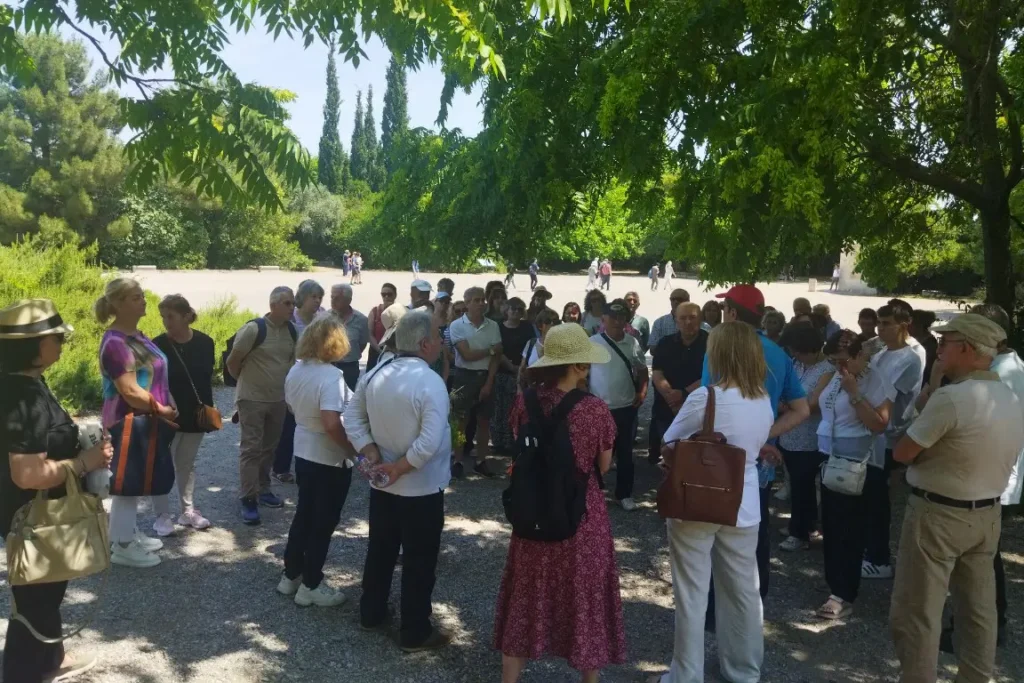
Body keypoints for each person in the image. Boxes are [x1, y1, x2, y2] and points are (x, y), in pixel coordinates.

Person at [889, 314, 1023, 683]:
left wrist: (933, 391)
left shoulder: (953, 398)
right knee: (979, 611)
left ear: (966, 348)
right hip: (987, 513)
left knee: (918, 611)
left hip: (938, 514)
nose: (939, 350)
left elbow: (902, 452)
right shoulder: (1009, 396)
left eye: (945, 343)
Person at [494, 323, 626, 683]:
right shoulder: (595, 410)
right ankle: (589, 677)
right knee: (584, 596)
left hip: (532, 512)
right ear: (579, 365)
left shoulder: (524, 401)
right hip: (580, 514)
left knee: (526, 595)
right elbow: (603, 465)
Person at [651, 322, 776, 683]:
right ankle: (744, 670)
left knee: (692, 592)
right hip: (744, 503)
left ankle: (686, 675)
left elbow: (670, 442)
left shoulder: (705, 397)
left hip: (697, 498)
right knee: (743, 590)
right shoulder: (762, 400)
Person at [1, 299, 112, 683]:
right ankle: (23, 673)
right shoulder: (25, 397)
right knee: (36, 597)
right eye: (58, 338)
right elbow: (28, 474)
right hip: (34, 515)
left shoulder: (20, 384)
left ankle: (50, 659)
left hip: (29, 512)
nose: (64, 343)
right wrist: (85, 462)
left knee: (43, 590)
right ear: (34, 345)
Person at [345, 311, 454, 652]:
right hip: (420, 488)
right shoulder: (430, 382)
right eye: (437, 335)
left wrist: (370, 450)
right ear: (424, 344)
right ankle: (415, 631)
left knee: (381, 549)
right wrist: (399, 467)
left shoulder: (377, 372)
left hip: (385, 484)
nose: (441, 341)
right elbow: (429, 442)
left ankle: (371, 612)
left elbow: (352, 417)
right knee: (419, 560)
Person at [702, 285, 810, 608]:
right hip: (760, 461)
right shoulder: (778, 354)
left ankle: (716, 607)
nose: (723, 315)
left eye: (725, 309)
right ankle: (753, 602)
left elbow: (707, 405)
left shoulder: (718, 350)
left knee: (716, 531)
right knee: (755, 529)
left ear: (733, 313)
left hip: (720, 460)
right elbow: (802, 409)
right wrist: (763, 436)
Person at [928, 305, 1023, 653]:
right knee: (981, 559)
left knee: (980, 563)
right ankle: (980, 627)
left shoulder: (999, 374)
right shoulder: (1006, 367)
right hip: (989, 476)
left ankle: (981, 629)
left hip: (985, 478)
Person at [96, 278, 178, 567]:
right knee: (127, 482)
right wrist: (162, 409)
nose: (143, 301)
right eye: (135, 297)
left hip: (145, 419)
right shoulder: (116, 343)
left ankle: (127, 533)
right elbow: (129, 390)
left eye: (142, 295)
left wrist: (168, 402)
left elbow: (156, 376)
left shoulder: (137, 336)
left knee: (136, 479)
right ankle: (123, 545)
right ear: (118, 304)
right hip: (127, 420)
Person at [813, 330, 894, 619]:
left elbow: (880, 424)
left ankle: (843, 593)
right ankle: (835, 585)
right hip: (830, 459)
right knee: (832, 527)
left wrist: (855, 394)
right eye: (834, 361)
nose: (839, 366)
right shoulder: (836, 376)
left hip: (857, 464)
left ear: (860, 355)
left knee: (849, 530)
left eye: (844, 360)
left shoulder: (875, 380)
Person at [276, 315, 356, 608]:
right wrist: (352, 450)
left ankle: (291, 574)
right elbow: (331, 423)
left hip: (304, 450)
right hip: (328, 456)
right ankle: (311, 583)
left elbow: (291, 406)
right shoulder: (331, 376)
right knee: (323, 522)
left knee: (304, 514)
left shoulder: (296, 370)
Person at [860, 304, 923, 581]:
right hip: (870, 432)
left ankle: (879, 559)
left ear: (903, 325)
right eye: (879, 323)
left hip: (888, 435)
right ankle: (869, 548)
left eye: (886, 323)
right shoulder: (882, 352)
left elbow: (882, 393)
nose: (880, 329)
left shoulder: (911, 357)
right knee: (867, 496)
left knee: (877, 500)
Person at [226, 286, 297, 526]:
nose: (292, 307)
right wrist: (246, 384)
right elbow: (232, 362)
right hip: (252, 400)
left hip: (278, 400)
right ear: (273, 305)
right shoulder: (254, 329)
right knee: (251, 449)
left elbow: (291, 364)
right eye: (287, 303)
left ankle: (264, 489)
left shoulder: (292, 331)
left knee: (269, 448)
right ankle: (248, 498)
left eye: (293, 303)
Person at [153, 295, 214, 531]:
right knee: (162, 464)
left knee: (186, 463)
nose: (166, 322)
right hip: (167, 414)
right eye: (163, 317)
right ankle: (162, 515)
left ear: (187, 316)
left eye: (171, 316)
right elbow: (154, 382)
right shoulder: (157, 345)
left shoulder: (205, 342)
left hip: (196, 414)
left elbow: (205, 379)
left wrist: (207, 411)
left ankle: (187, 511)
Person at [776, 322, 832, 552]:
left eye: (798, 350)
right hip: (789, 434)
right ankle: (804, 525)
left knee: (803, 486)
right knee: (799, 485)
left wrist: (786, 406)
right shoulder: (796, 363)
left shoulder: (827, 369)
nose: (795, 354)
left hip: (809, 439)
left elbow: (813, 404)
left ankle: (799, 533)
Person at [588, 298, 648, 511]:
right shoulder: (592, 342)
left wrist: (642, 392)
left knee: (625, 453)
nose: (616, 321)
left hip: (626, 407)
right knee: (596, 452)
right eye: (612, 317)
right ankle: (592, 492)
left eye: (621, 317)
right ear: (603, 319)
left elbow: (642, 370)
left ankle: (624, 494)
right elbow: (581, 372)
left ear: (626, 320)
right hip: (599, 407)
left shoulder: (632, 343)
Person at [449, 286, 503, 478]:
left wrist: (489, 382)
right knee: (460, 421)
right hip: (464, 376)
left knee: (484, 421)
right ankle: (457, 460)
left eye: (483, 300)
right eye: (477, 300)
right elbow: (467, 355)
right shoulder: (457, 325)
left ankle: (481, 461)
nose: (481, 303)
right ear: (467, 303)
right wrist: (490, 350)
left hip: (486, 375)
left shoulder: (493, 325)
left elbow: (497, 356)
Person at [649, 302, 706, 465]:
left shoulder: (712, 343)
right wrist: (671, 397)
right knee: (669, 458)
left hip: (699, 413)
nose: (688, 322)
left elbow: (712, 375)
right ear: (676, 320)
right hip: (666, 410)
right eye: (683, 318)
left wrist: (684, 393)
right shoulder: (665, 343)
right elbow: (657, 372)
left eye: (692, 317)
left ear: (700, 319)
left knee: (695, 462)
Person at [491, 298, 534, 453]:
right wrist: (510, 366)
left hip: (522, 373)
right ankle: (498, 442)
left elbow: (531, 347)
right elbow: (497, 348)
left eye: (520, 309)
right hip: (501, 372)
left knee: (516, 408)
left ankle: (513, 441)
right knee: (499, 409)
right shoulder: (498, 327)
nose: (516, 311)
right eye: (513, 308)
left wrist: (521, 369)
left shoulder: (527, 326)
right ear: (506, 310)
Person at [329, 283, 369, 390]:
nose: (333, 301)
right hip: (329, 366)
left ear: (348, 300)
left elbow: (362, 344)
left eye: (337, 298)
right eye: (332, 297)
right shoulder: (325, 318)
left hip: (350, 368)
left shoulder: (361, 320)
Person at [520, 309, 561, 383]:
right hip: (532, 387)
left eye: (556, 321)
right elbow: (522, 368)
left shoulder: (562, 346)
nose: (552, 324)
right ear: (540, 326)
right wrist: (519, 386)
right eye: (548, 321)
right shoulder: (531, 343)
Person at [366, 282, 398, 371]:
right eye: (383, 294)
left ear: (395, 295)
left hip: (395, 352)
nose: (386, 297)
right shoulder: (375, 311)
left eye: (389, 294)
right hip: (376, 351)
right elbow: (369, 334)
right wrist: (380, 351)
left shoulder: (401, 310)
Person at [910, 309, 939, 384]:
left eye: (911, 324)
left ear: (919, 326)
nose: (907, 327)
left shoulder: (930, 344)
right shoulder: (914, 340)